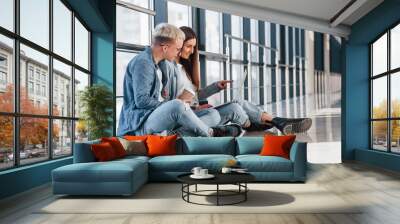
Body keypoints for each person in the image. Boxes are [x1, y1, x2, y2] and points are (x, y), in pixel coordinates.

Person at [161, 26, 312, 135]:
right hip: (190, 119)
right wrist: (195, 109)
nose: (192, 51)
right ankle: (273, 122)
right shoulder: (170, 69)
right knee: (235, 106)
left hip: (198, 114)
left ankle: (276, 121)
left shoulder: (185, 69)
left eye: (193, 47)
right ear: (178, 44)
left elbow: (195, 96)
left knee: (237, 103)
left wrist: (215, 87)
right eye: (188, 46)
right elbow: (173, 107)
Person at [116, 23, 242, 137]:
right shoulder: (143, 63)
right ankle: (211, 133)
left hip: (161, 119)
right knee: (177, 105)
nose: (178, 53)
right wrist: (174, 105)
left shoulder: (163, 65)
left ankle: (172, 136)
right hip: (140, 124)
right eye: (177, 49)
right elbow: (141, 101)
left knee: (212, 115)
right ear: (165, 48)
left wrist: (183, 108)